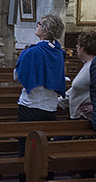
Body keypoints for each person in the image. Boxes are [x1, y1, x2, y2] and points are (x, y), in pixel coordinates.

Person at [14, 14, 66, 158]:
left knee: (26, 146)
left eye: (40, 24)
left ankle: (25, 178)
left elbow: (18, 76)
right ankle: (44, 176)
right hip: (50, 107)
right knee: (44, 146)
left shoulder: (32, 52)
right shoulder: (59, 52)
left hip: (30, 106)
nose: (37, 25)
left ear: (46, 31)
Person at [66, 31, 96, 120]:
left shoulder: (94, 66)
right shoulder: (87, 65)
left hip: (87, 117)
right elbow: (77, 88)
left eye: (78, 45)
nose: (76, 48)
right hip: (79, 116)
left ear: (83, 48)